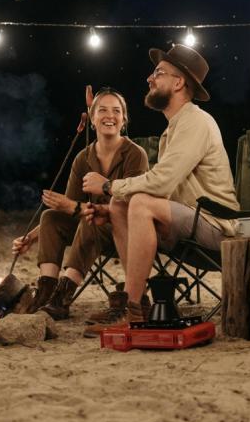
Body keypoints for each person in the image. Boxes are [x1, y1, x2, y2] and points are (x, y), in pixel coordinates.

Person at [80, 44, 239, 336]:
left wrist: (108, 185)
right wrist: (114, 204)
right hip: (190, 217)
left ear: (179, 83)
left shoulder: (195, 122)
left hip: (217, 226)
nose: (149, 79)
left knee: (138, 202)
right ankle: (134, 304)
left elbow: (161, 183)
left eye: (158, 73)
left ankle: (132, 309)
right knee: (119, 206)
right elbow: (170, 190)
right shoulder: (174, 128)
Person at [11, 88, 148, 320]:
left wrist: (80, 206)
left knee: (90, 218)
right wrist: (30, 238)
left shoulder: (135, 154)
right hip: (89, 227)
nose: (110, 116)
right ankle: (45, 291)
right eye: (102, 110)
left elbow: (131, 204)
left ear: (124, 120)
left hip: (123, 230)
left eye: (116, 111)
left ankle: (63, 296)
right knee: (50, 217)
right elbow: (69, 206)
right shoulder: (83, 158)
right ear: (92, 118)